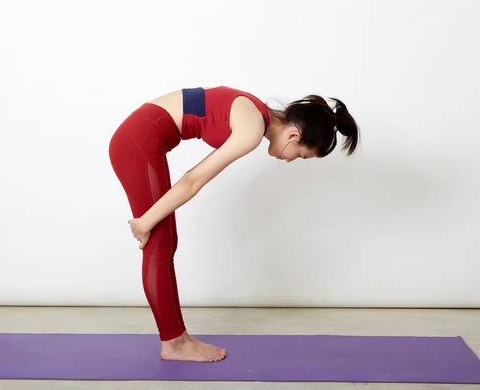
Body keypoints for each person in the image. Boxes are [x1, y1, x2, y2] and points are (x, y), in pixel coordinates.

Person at [108, 86, 359, 363]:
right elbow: (193, 180)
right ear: (293, 135)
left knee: (165, 242)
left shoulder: (256, 111)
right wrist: (144, 222)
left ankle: (178, 337)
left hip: (141, 136)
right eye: (300, 155)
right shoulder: (251, 129)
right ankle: (174, 343)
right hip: (138, 140)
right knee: (160, 243)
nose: (290, 161)